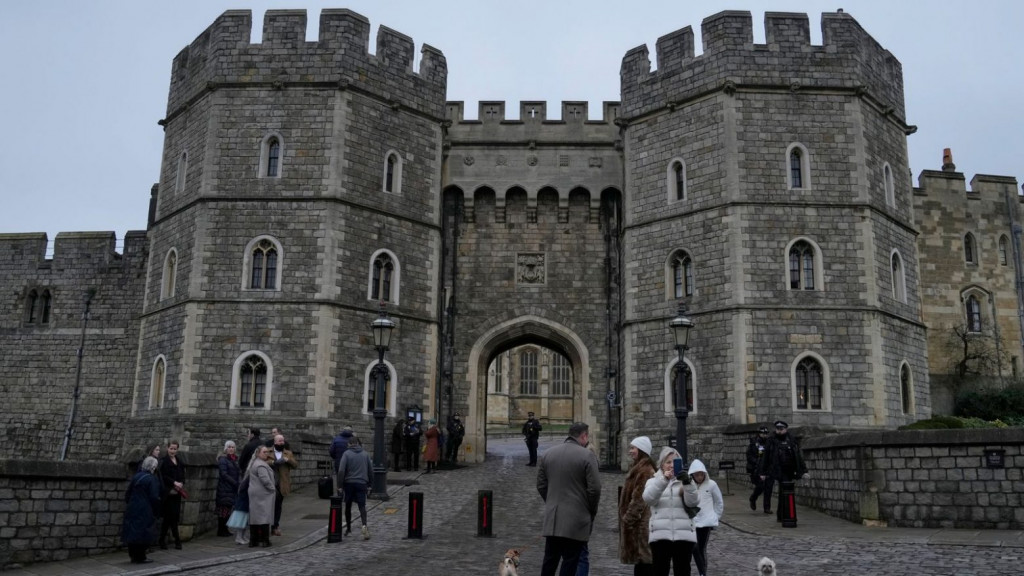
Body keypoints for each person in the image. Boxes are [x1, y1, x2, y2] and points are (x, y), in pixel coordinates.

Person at [537, 422, 601, 576]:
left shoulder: (548, 454)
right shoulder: (587, 455)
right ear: (584, 436)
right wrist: (589, 509)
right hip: (576, 520)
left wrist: (552, 501)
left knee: (549, 561)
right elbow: (595, 489)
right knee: (570, 562)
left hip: (553, 518)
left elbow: (541, 485)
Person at [643, 446, 699, 576]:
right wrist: (664, 481)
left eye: (675, 462)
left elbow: (693, 502)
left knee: (683, 571)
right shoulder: (653, 481)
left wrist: (688, 483)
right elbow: (649, 499)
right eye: (668, 462)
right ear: (662, 465)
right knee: (659, 571)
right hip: (661, 536)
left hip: (683, 535)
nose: (672, 465)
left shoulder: (686, 481)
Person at [758, 420, 809, 522]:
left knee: (786, 492)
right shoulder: (771, 440)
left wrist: (804, 470)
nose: (779, 431)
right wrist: (762, 472)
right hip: (776, 469)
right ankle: (780, 514)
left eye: (781, 429)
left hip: (788, 470)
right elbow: (765, 456)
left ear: (786, 429)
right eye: (778, 429)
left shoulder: (791, 440)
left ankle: (784, 515)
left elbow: (798, 456)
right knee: (777, 490)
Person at [620, 436, 656, 576]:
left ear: (641, 450)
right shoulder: (639, 468)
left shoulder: (645, 470)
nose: (630, 451)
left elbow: (639, 499)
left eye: (633, 448)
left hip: (641, 524)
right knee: (640, 563)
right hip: (638, 524)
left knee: (645, 562)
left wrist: (628, 518)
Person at [122, 456, 162, 564]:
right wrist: (156, 510)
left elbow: (128, 493)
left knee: (133, 532)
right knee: (143, 533)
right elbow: (154, 497)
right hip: (145, 508)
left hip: (133, 507)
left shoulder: (137, 476)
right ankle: (140, 557)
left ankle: (133, 555)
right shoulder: (152, 479)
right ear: (153, 467)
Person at [687, 459, 723, 576]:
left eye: (701, 474)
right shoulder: (688, 485)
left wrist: (715, 517)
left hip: (706, 522)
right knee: (694, 547)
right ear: (692, 474)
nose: (699, 477)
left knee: (701, 548)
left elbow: (719, 502)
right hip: (692, 522)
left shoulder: (712, 485)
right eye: (697, 475)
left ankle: (703, 572)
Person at [337, 435, 374, 540]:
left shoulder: (346, 454)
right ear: (358, 443)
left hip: (349, 483)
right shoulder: (365, 454)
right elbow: (370, 471)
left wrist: (339, 486)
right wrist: (370, 485)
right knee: (362, 506)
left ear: (349, 444)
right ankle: (364, 526)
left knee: (348, 506)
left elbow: (341, 471)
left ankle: (348, 529)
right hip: (362, 483)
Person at [158, 440, 186, 550]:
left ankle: (164, 540)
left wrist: (181, 483)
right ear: (167, 448)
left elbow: (183, 475)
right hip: (168, 493)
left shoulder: (179, 461)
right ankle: (175, 540)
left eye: (175, 449)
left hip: (177, 493)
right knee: (169, 517)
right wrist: (174, 483)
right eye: (171, 448)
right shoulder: (164, 461)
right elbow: (163, 476)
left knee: (173, 517)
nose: (173, 451)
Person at [247, 445, 277, 547]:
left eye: (267, 452)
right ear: (258, 453)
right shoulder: (260, 465)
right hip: (262, 494)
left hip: (257, 493)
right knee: (264, 516)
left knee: (255, 517)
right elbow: (265, 480)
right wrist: (273, 488)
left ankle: (254, 541)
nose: (266, 454)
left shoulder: (256, 463)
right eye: (264, 452)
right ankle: (265, 540)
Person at [269, 434, 298, 536]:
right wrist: (273, 462)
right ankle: (268, 525)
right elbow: (263, 460)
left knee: (278, 506)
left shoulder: (288, 453)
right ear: (275, 442)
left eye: (283, 441)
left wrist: (288, 460)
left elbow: (295, 465)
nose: (282, 443)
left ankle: (275, 526)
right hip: (270, 482)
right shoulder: (268, 451)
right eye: (280, 441)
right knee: (269, 506)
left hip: (281, 484)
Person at [215, 440, 240, 537]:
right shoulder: (223, 459)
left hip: (231, 489)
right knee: (223, 510)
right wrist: (235, 483)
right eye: (229, 447)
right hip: (224, 488)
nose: (231, 449)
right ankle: (221, 530)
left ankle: (225, 529)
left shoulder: (234, 459)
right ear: (226, 448)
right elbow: (224, 474)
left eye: (233, 447)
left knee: (228, 510)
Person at [746, 426, 770, 513]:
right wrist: (756, 462)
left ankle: (767, 508)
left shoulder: (768, 442)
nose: (764, 435)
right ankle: (753, 498)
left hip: (766, 468)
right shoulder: (754, 442)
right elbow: (749, 455)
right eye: (763, 433)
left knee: (767, 487)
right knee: (760, 486)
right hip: (755, 468)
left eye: (766, 434)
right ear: (759, 433)